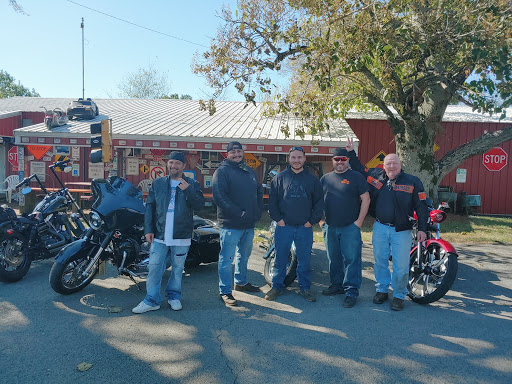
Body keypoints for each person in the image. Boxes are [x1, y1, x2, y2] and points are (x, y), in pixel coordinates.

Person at [345, 138, 428, 311]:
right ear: (384, 166)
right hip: (380, 227)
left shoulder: (413, 181)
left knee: (401, 264)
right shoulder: (376, 177)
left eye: (394, 163)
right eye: (388, 164)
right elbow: (360, 169)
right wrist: (351, 152)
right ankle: (382, 290)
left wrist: (422, 229)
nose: (391, 166)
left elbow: (421, 206)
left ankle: (398, 295)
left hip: (402, 230)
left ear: (400, 165)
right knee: (380, 260)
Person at [132, 151, 204, 314]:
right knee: (154, 266)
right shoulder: (158, 183)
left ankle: (174, 296)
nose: (173, 166)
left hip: (182, 234)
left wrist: (188, 190)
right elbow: (150, 207)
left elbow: (200, 205)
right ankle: (152, 300)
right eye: (171, 162)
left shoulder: (192, 183)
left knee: (177, 268)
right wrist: (148, 229)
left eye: (177, 163)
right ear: (167, 164)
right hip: (159, 233)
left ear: (183, 166)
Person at [266, 146, 324, 302]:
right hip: (284, 227)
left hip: (304, 228)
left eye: (299, 157)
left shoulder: (312, 179)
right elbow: (272, 202)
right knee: (280, 259)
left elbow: (319, 203)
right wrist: (279, 220)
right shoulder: (280, 178)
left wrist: (310, 221)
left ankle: (305, 288)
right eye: (293, 157)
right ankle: (276, 286)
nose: (296, 160)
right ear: (288, 159)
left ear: (304, 159)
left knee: (304, 260)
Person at [212, 141, 264, 306]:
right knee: (227, 259)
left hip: (248, 224)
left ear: (243, 152)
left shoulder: (249, 171)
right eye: (232, 152)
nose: (236, 155)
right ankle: (225, 291)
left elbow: (257, 192)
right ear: (227, 154)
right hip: (230, 224)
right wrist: (238, 212)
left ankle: (240, 283)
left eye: (239, 152)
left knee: (244, 255)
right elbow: (219, 196)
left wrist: (257, 212)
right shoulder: (222, 172)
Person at [320, 148, 370, 308]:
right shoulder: (325, 179)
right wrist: (321, 222)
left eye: (343, 159)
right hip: (330, 226)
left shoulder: (356, 177)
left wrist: (359, 222)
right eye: (337, 159)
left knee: (352, 260)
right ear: (332, 160)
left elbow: (366, 199)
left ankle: (351, 291)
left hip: (350, 227)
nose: (340, 162)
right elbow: (318, 201)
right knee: (333, 258)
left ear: (348, 160)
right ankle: (337, 285)